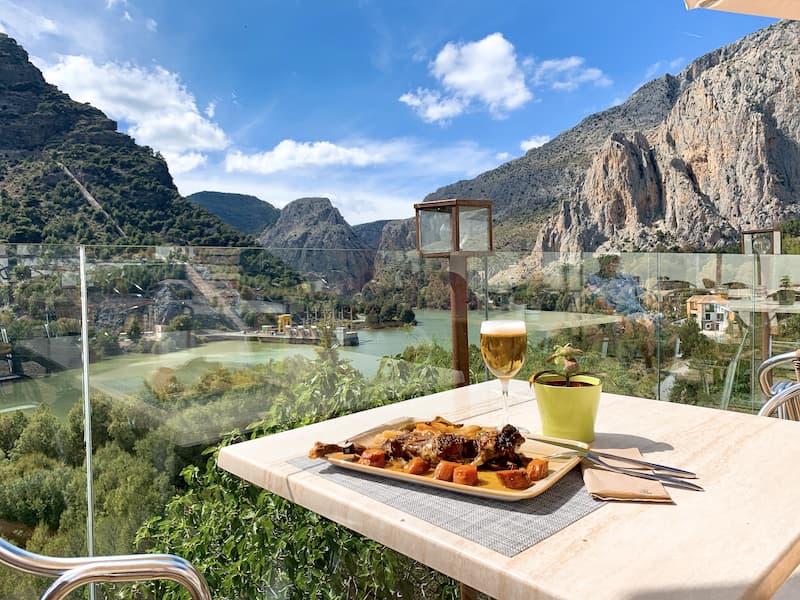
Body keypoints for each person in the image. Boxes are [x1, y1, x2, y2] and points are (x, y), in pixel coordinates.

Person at [584, 252, 658, 368]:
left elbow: (643, 294)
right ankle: (632, 364)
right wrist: (616, 315)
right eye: (608, 260)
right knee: (643, 326)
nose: (611, 263)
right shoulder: (593, 279)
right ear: (601, 262)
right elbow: (599, 300)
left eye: (615, 260)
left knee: (651, 324)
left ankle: (645, 363)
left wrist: (651, 298)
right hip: (615, 315)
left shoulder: (626, 278)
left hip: (637, 313)